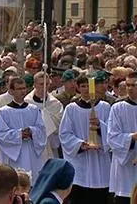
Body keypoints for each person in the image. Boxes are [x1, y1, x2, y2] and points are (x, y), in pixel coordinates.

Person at [59, 75, 111, 204]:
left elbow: (112, 131)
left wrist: (100, 126)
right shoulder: (71, 109)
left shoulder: (104, 107)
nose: (86, 89)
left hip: (100, 161)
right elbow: (64, 134)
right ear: (78, 88)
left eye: (89, 86)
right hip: (80, 162)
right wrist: (81, 144)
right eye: (83, 86)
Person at [0, 78, 47, 184]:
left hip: (31, 152)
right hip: (13, 155)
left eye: (24, 88)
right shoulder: (3, 112)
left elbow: (42, 130)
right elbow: (0, 134)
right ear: (12, 91)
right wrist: (19, 134)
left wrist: (32, 131)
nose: (22, 91)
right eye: (19, 89)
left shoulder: (34, 109)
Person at [107, 71, 137, 204]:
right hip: (126, 170)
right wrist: (132, 137)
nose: (130, 88)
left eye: (134, 85)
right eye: (128, 85)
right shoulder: (117, 108)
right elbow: (112, 138)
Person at [24, 71, 63, 160]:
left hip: (50, 144)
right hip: (32, 145)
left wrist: (47, 118)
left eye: (47, 84)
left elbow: (59, 124)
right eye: (41, 84)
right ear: (34, 84)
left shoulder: (55, 104)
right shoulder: (27, 102)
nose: (44, 87)